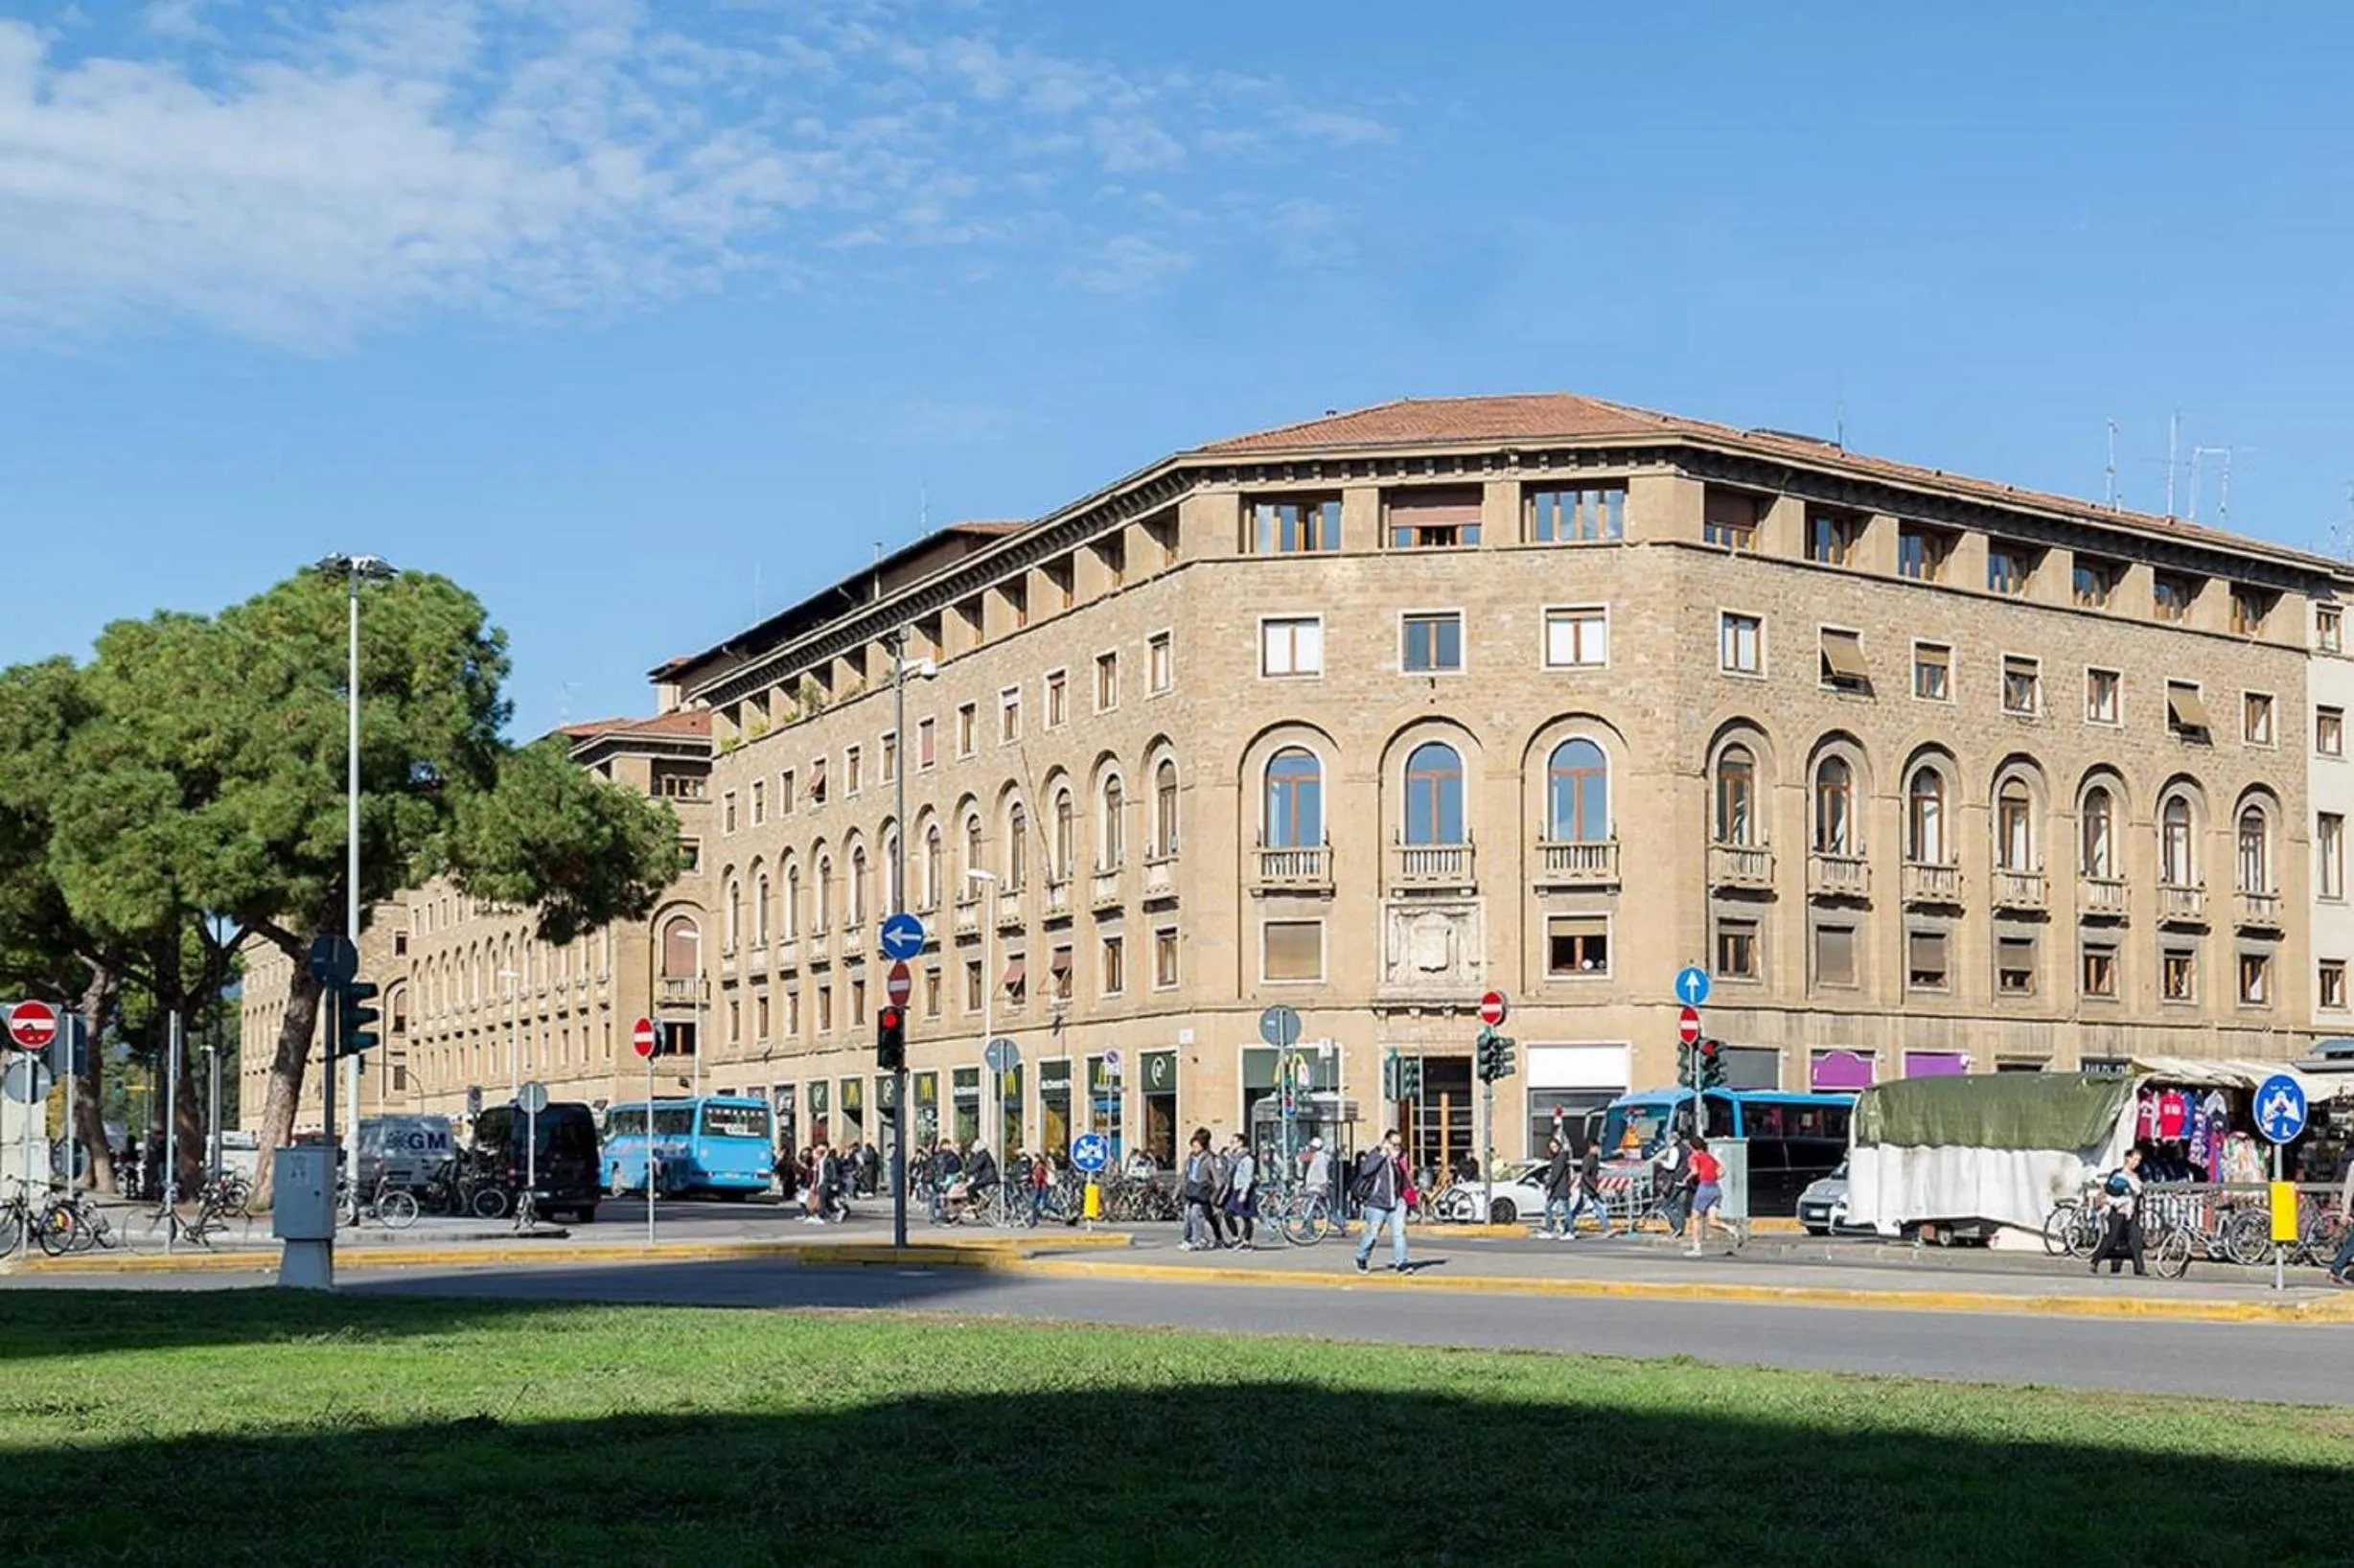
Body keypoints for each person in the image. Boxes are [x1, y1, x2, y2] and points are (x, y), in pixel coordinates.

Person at [1352, 1128, 1412, 1273]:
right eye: (1394, 1144)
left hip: (1396, 1202)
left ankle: (1401, 1263)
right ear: (1386, 1142)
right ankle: (1361, 1257)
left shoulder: (1398, 1158)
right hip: (1377, 1202)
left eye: (1399, 1145)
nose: (1397, 1147)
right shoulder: (1376, 1154)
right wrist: (1382, 1155)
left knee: (1399, 1233)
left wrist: (1406, 1199)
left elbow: (1403, 1179)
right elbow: (1366, 1170)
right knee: (1373, 1233)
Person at [2088, 1146, 2147, 1277]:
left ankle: (2139, 1268)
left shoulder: (2137, 1175)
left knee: (2136, 1238)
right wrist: (2124, 1187)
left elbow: (2139, 1193)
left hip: (2132, 1211)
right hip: (2117, 1210)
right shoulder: (2117, 1173)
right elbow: (2110, 1190)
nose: (2136, 1163)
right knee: (2111, 1238)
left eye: (2139, 1160)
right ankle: (2095, 1261)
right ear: (2128, 1158)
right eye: (2135, 1159)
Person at [1683, 1135, 1742, 1255]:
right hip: (1715, 1188)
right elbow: (1722, 1171)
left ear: (1691, 1146)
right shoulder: (1709, 1157)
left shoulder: (1694, 1156)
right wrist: (1714, 1177)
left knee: (1695, 1218)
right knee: (1712, 1221)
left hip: (1704, 1188)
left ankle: (1696, 1248)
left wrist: (1685, 1179)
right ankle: (1732, 1229)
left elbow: (1694, 1171)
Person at [1178, 1129, 1221, 1251]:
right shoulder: (1189, 1160)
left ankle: (1199, 1240)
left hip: (1202, 1192)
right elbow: (1183, 1176)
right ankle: (1188, 1239)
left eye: (1197, 1146)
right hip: (1190, 1191)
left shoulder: (1209, 1159)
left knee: (1196, 1215)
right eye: (1192, 1146)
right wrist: (1177, 1191)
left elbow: (1218, 1179)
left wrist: (1215, 1195)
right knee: (1187, 1215)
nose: (1194, 1148)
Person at [1653, 1127, 1692, 1236]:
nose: (1668, 1141)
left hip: (1675, 1180)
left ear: (1673, 1139)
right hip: (1684, 1180)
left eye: (1670, 1139)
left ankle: (1676, 1227)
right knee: (1679, 1205)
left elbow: (1671, 1166)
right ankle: (1681, 1228)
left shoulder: (1675, 1149)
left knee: (1665, 1204)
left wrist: (1661, 1162)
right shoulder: (1686, 1148)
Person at [1223, 1133, 1258, 1249]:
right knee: (1228, 1213)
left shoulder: (1248, 1159)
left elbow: (1249, 1177)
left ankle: (1247, 1241)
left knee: (1246, 1216)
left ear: (1241, 1143)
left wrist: (1244, 1192)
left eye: (1234, 1142)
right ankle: (1236, 1237)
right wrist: (1228, 1153)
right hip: (1234, 1188)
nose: (1231, 1144)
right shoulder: (1235, 1158)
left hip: (1244, 1190)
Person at [1573, 1141, 1613, 1237]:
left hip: (1592, 1189)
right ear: (1591, 1148)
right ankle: (1567, 1224)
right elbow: (1586, 1175)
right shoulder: (1587, 1159)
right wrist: (1595, 1187)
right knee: (1579, 1208)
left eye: (1598, 1148)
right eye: (1595, 1148)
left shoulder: (1595, 1158)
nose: (1597, 1150)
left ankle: (1606, 1228)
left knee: (1600, 1207)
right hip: (1588, 1189)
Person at [1540, 1137, 1578, 1238]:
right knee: (1549, 1208)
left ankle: (1570, 1232)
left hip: (1561, 1189)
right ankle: (1550, 1230)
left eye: (1555, 1146)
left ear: (1559, 1146)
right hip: (1556, 1189)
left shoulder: (1560, 1158)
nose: (1554, 1148)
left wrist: (1548, 1185)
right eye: (1551, 1147)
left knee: (1566, 1211)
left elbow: (1556, 1174)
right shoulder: (1556, 1158)